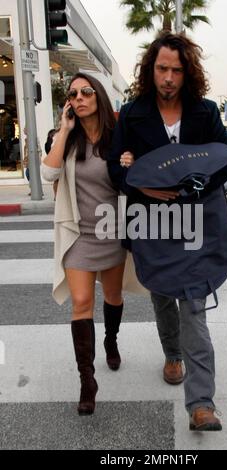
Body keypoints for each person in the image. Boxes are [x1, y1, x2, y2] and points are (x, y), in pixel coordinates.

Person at [108, 32, 227, 431]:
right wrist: (138, 182)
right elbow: (115, 167)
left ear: (187, 73)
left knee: (194, 306)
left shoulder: (205, 112)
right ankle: (172, 354)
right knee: (163, 296)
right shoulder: (132, 113)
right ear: (151, 69)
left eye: (176, 70)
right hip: (152, 223)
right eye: (162, 68)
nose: (168, 77)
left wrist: (198, 183)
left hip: (196, 223)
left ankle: (201, 404)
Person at [41, 72, 126, 416]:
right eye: (73, 93)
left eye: (86, 91)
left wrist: (129, 163)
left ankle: (110, 339)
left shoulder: (117, 137)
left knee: (114, 297)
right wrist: (63, 129)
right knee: (80, 301)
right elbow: (48, 174)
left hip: (112, 232)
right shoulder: (66, 139)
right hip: (78, 236)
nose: (79, 97)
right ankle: (87, 381)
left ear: (98, 96)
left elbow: (130, 178)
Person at [23, 127, 42, 195]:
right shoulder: (26, 139)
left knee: (31, 174)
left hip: (33, 159)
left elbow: (39, 148)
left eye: (25, 129)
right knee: (29, 174)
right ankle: (35, 189)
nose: (23, 131)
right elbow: (26, 150)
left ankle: (36, 190)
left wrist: (37, 156)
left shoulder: (34, 138)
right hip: (28, 159)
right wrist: (25, 157)